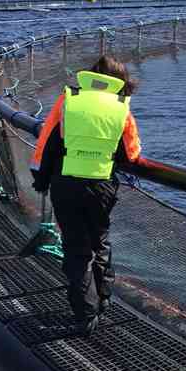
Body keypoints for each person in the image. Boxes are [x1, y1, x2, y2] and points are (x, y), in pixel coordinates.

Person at [30, 55, 145, 335]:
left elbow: (46, 144)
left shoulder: (68, 99)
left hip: (65, 183)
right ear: (121, 82)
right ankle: (104, 299)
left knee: (76, 249)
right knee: (100, 241)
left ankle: (85, 313)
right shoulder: (121, 109)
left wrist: (40, 179)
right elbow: (132, 154)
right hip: (101, 186)